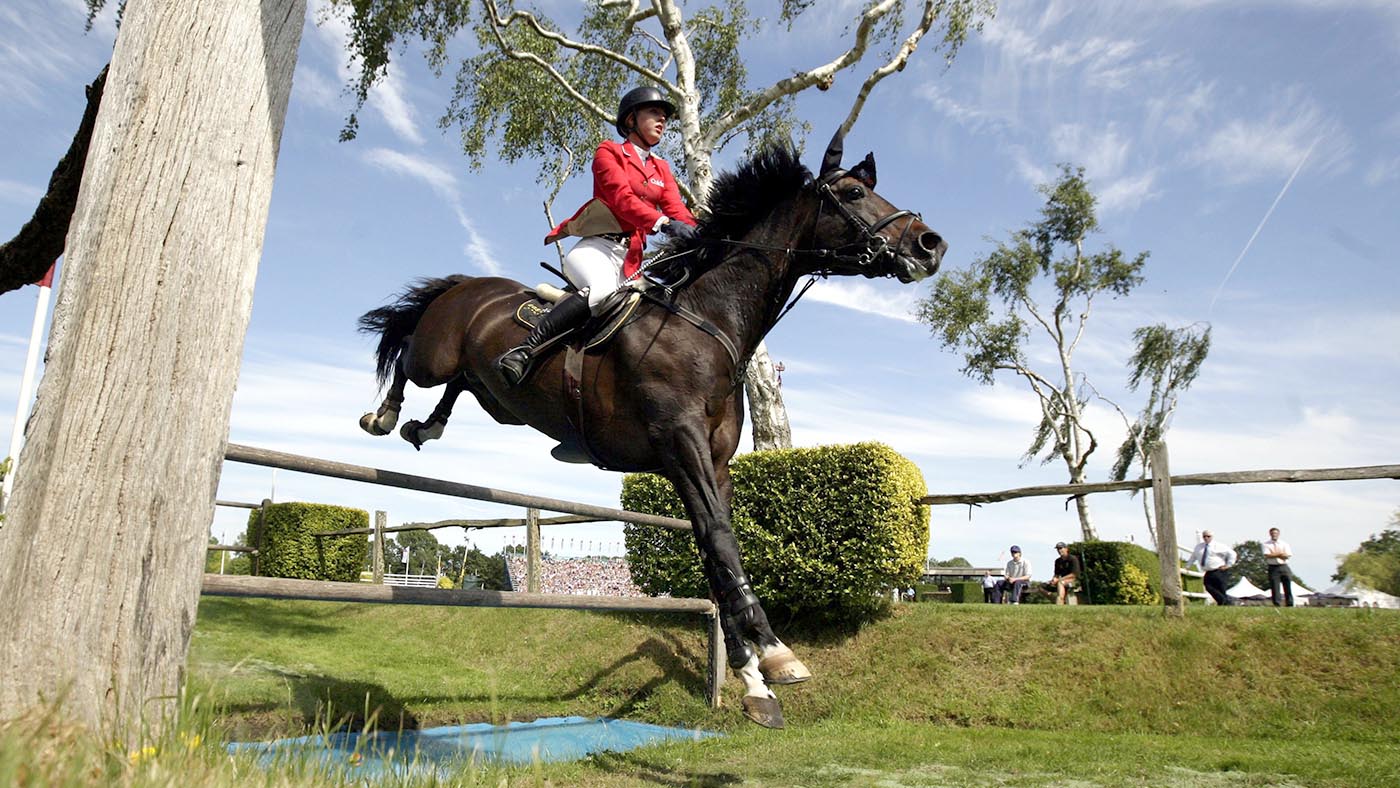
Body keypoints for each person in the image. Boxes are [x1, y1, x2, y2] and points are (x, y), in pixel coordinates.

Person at [497, 86, 699, 385]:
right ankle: (523, 351)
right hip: (596, 249)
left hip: (630, 259)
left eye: (665, 117)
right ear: (631, 120)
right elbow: (621, 199)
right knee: (603, 290)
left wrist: (701, 233)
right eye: (655, 113)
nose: (662, 120)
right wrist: (663, 223)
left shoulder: (662, 168)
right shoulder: (609, 152)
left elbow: (677, 209)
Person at [1190, 530, 1237, 606]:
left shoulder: (1219, 546)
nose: (1206, 538)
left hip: (1219, 570)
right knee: (1208, 586)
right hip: (1209, 571)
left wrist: (1228, 565)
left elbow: (1232, 554)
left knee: (1221, 589)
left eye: (1208, 536)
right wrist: (1188, 566)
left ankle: (1224, 603)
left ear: (1212, 537)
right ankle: (1226, 602)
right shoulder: (1199, 547)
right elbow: (1193, 557)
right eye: (1204, 536)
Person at [1262, 526, 1295, 607]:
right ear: (1270, 534)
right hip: (1273, 567)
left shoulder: (1284, 544)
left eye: (1276, 533)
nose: (1274, 535)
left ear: (1279, 534)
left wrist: (1274, 554)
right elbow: (1267, 555)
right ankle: (1277, 604)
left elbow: (1287, 555)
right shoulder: (1265, 544)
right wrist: (1280, 554)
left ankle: (1289, 604)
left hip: (1284, 566)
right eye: (1272, 533)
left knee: (1288, 585)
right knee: (1275, 587)